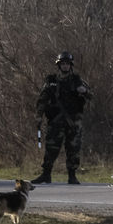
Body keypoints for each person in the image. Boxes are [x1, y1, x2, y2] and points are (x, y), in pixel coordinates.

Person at [33, 51, 92, 185]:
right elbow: (42, 99)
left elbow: (90, 95)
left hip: (73, 121)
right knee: (51, 147)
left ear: (70, 65)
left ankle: (72, 175)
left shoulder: (77, 80)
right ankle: (46, 174)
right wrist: (38, 116)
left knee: (73, 148)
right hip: (55, 120)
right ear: (59, 65)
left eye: (67, 64)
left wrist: (85, 91)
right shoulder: (51, 81)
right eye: (62, 64)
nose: (65, 66)